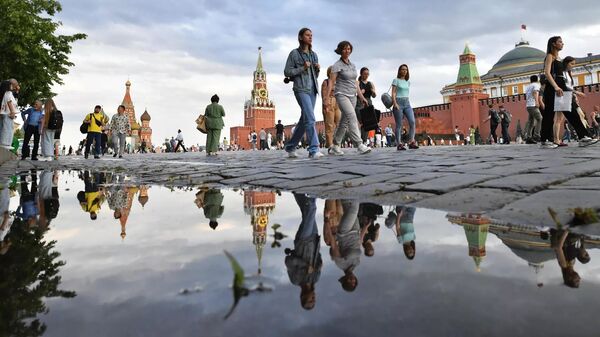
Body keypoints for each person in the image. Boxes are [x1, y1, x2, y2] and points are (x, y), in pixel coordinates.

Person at [325, 41, 371, 156]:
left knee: (344, 122)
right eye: (345, 49)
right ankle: (359, 144)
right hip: (341, 94)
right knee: (352, 116)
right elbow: (331, 82)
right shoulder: (337, 65)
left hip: (353, 96)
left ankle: (335, 145)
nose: (347, 51)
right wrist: (326, 98)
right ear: (340, 50)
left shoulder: (352, 65)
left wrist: (361, 97)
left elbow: (355, 83)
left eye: (349, 49)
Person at [283, 27, 323, 159]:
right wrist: (302, 68)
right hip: (301, 89)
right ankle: (314, 149)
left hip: (313, 89)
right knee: (311, 117)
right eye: (307, 35)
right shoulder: (294, 54)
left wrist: (317, 70)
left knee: (304, 119)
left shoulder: (314, 55)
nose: (310, 37)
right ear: (300, 37)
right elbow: (287, 72)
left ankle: (290, 146)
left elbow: (315, 76)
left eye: (311, 35)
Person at [285, 193, 322, 310]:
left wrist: (306, 265)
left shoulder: (296, 280)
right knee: (306, 212)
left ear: (303, 297)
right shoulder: (315, 279)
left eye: (310, 300)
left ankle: (313, 190)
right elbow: (318, 260)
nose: (313, 298)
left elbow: (289, 261)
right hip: (314, 240)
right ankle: (297, 191)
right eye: (314, 301)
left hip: (303, 241)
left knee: (311, 209)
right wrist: (319, 264)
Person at [553, 56, 597, 147]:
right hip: (563, 97)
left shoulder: (568, 74)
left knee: (565, 119)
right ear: (566, 63)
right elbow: (563, 86)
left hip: (567, 96)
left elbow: (569, 86)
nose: (573, 66)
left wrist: (574, 95)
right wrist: (576, 92)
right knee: (569, 118)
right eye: (571, 64)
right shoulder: (561, 73)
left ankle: (581, 137)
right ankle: (581, 137)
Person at [330, 200, 361, 292]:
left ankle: (350, 191)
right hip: (356, 231)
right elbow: (359, 243)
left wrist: (327, 221)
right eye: (354, 282)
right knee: (348, 207)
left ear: (345, 280)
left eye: (349, 282)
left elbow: (334, 245)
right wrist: (365, 228)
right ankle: (344, 192)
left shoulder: (340, 264)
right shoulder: (356, 263)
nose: (352, 280)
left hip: (344, 232)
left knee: (353, 209)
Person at [540, 37, 564, 149]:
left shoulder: (559, 58)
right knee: (549, 114)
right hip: (552, 88)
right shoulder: (550, 56)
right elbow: (547, 73)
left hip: (559, 87)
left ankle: (553, 139)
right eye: (560, 42)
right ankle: (545, 139)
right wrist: (556, 87)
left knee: (556, 114)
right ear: (553, 44)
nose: (562, 43)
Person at [391, 64, 419, 150]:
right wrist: (395, 103)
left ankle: (411, 142)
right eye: (402, 69)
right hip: (398, 102)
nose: (404, 71)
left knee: (412, 122)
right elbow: (394, 92)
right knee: (399, 124)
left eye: (406, 70)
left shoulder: (408, 82)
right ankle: (399, 144)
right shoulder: (396, 80)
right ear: (399, 71)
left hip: (407, 103)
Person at [356, 67, 377, 142]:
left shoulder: (370, 83)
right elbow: (354, 93)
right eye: (365, 74)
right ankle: (360, 140)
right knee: (362, 122)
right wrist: (360, 92)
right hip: (359, 102)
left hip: (368, 102)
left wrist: (373, 92)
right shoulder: (358, 82)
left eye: (367, 74)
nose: (366, 75)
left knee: (368, 123)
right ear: (361, 74)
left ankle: (363, 141)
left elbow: (374, 96)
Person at [523, 75, 544, 144]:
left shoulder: (528, 87)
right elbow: (535, 92)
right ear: (537, 79)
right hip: (533, 105)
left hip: (528, 106)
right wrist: (537, 102)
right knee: (540, 119)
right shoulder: (536, 85)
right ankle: (536, 135)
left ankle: (528, 138)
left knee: (531, 122)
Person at [0, 79, 19, 150]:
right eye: (11, 85)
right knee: (8, 128)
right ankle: (5, 143)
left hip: (4, 113)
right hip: (8, 114)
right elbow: (9, 102)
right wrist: (12, 112)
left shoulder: (3, 93)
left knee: (4, 128)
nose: (12, 86)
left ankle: (4, 143)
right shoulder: (8, 93)